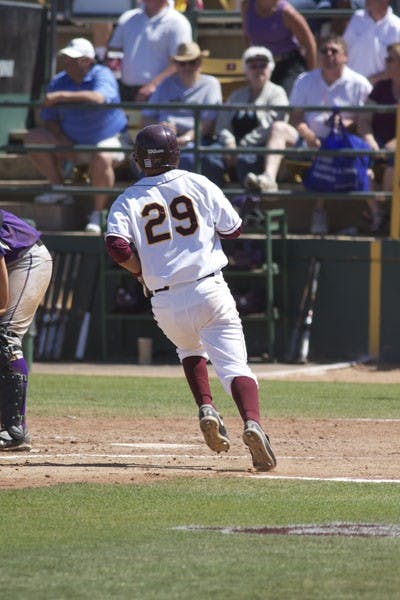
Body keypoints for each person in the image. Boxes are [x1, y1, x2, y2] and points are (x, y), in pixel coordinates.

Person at [105, 124, 277, 472]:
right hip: (208, 287)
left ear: (139, 160)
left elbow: (116, 245)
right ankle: (253, 423)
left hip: (164, 299)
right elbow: (234, 228)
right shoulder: (197, 182)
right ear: (175, 154)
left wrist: (140, 271)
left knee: (189, 349)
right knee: (234, 367)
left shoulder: (128, 198)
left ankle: (207, 407)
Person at [244, 35, 372, 234]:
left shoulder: (359, 83)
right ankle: (269, 179)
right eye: (324, 51)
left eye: (334, 51)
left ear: (345, 56)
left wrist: (347, 124)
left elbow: (365, 121)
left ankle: (321, 212)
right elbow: (295, 117)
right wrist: (309, 135)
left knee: (333, 151)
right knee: (279, 127)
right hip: (308, 140)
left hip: (343, 145)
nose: (328, 55)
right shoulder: (305, 80)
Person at [25, 38, 131, 234]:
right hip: (72, 143)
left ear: (88, 61)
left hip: (110, 138)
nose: (68, 63)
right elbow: (49, 117)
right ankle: (59, 189)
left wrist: (60, 97)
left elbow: (99, 98)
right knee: (34, 138)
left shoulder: (102, 74)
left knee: (102, 155)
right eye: (66, 58)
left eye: (74, 59)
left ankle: (98, 213)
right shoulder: (59, 80)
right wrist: (62, 139)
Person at [0, 210, 52, 451]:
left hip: (27, 259)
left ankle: (14, 430)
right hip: (12, 262)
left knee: (6, 337)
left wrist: (1, 306)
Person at [202, 46, 288, 188]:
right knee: (209, 158)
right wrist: (229, 144)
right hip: (233, 147)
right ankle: (216, 199)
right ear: (246, 71)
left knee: (245, 161)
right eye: (253, 66)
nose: (258, 70)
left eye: (263, 65)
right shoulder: (237, 95)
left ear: (270, 68)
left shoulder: (277, 93)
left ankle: (249, 205)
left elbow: (269, 125)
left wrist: (241, 148)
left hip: (260, 147)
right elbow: (222, 124)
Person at [141, 42, 222, 171]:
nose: (187, 67)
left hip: (197, 141)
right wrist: (161, 129)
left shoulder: (211, 84)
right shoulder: (165, 84)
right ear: (176, 65)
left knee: (190, 159)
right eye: (182, 63)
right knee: (142, 161)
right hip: (164, 141)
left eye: (192, 62)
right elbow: (146, 117)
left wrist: (186, 138)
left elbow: (208, 122)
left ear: (200, 63)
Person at [107, 0, 193, 102]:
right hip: (124, 92)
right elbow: (114, 51)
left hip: (162, 94)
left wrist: (153, 86)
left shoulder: (178, 22)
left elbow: (180, 62)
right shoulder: (127, 17)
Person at [357, 42, 400, 233]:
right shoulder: (381, 88)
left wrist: (393, 145)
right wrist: (370, 140)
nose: (387, 63)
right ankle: (378, 213)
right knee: (362, 168)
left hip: (394, 149)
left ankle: (391, 211)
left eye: (391, 59)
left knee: (394, 164)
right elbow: (364, 119)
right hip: (378, 144)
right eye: (387, 59)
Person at [241, 0, 317, 95]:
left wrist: (311, 78)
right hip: (260, 65)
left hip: (288, 66)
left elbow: (309, 43)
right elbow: (247, 37)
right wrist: (248, 66)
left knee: (284, 103)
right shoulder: (247, 6)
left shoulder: (287, 12)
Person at [343, 0, 400, 83]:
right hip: (351, 88)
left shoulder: (397, 26)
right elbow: (344, 50)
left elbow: (397, 67)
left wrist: (371, 81)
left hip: (379, 92)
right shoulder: (357, 17)